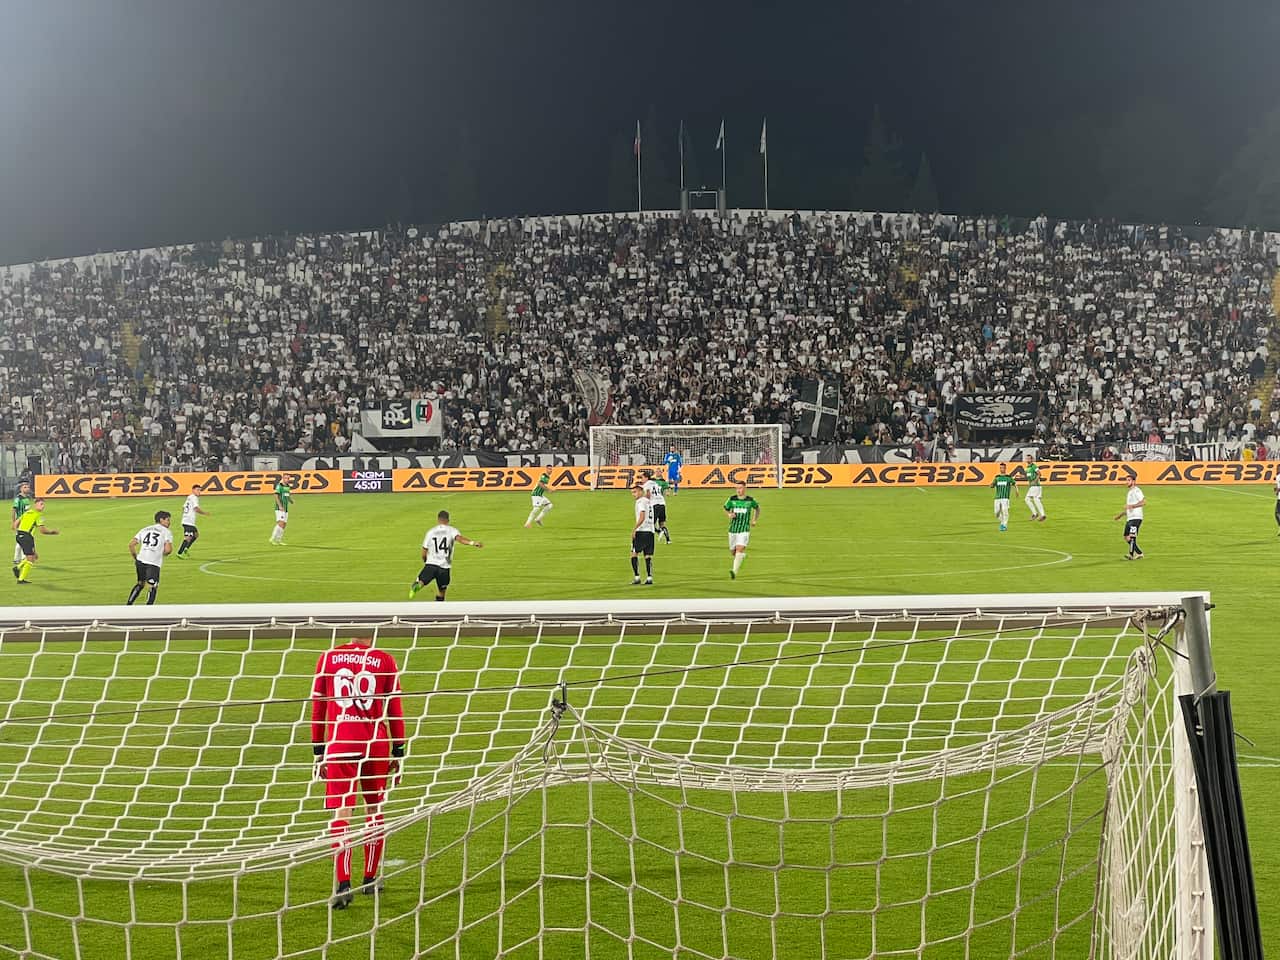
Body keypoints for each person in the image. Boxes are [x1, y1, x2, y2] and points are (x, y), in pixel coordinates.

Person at [310, 636, 406, 909]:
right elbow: (395, 708)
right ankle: (370, 879)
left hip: (341, 744)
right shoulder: (385, 659)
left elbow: (318, 707)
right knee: (374, 809)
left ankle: (343, 884)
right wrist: (398, 750)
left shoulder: (328, 657)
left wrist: (318, 750)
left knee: (342, 814)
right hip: (375, 744)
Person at [409, 510, 483, 600]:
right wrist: (473, 543)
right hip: (444, 568)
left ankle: (418, 586)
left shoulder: (430, 532)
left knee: (421, 581)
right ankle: (439, 606)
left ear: (438, 520)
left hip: (431, 564)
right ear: (448, 520)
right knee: (442, 591)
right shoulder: (452, 530)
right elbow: (460, 539)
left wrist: (425, 561)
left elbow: (424, 551)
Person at [127, 510, 173, 604]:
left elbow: (131, 545)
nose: (169, 522)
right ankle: (149, 608)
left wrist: (136, 558)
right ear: (161, 520)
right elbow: (168, 550)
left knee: (140, 583)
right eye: (168, 520)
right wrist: (161, 553)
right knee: (153, 586)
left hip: (140, 560)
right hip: (153, 562)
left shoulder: (145, 529)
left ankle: (129, 604)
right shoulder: (166, 532)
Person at [14, 497, 60, 584]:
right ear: (36, 505)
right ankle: (20, 579)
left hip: (20, 536)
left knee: (33, 556)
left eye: (43, 504)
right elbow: (42, 531)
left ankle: (17, 568)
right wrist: (52, 532)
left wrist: (18, 532)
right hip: (27, 537)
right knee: (31, 559)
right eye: (41, 504)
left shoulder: (27, 512)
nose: (43, 506)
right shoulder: (38, 515)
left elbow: (15, 523)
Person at [723, 482, 760, 580]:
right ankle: (741, 556)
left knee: (739, 548)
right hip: (733, 529)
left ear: (744, 488)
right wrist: (729, 514)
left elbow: (757, 509)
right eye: (737, 488)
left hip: (744, 529)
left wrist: (754, 520)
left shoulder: (750, 500)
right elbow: (725, 508)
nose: (738, 490)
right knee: (733, 552)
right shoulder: (732, 499)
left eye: (740, 488)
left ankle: (734, 572)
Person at [1113, 476, 1146, 559]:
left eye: (1129, 480)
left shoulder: (1137, 490)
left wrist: (1132, 506)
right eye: (1126, 480)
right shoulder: (1130, 492)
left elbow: (1143, 502)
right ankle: (1139, 553)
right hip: (1130, 518)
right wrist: (1120, 515)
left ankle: (1131, 555)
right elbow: (1128, 507)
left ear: (1133, 481)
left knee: (1132, 536)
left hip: (1136, 517)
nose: (1127, 482)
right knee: (1126, 536)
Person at [176, 483, 211, 558]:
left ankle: (186, 548)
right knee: (188, 537)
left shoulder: (189, 497)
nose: (199, 492)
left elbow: (183, 507)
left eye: (200, 490)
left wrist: (185, 514)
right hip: (188, 521)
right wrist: (204, 513)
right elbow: (196, 508)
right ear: (193, 490)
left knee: (196, 535)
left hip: (187, 520)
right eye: (197, 490)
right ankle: (179, 553)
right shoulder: (194, 498)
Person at [629, 483, 655, 584]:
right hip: (650, 531)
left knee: (633, 554)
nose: (633, 494)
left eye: (635, 492)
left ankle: (637, 577)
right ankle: (649, 578)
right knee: (647, 555)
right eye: (632, 492)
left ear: (640, 491)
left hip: (641, 531)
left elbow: (642, 516)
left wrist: (635, 529)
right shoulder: (648, 502)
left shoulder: (640, 502)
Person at [641, 470, 672, 543]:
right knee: (662, 523)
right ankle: (668, 540)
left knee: (650, 523)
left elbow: (648, 494)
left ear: (646, 477)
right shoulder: (655, 483)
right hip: (662, 503)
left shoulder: (647, 484)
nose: (641, 479)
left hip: (655, 505)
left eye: (642, 478)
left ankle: (658, 532)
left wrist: (644, 501)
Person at [11, 481, 34, 577]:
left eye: (27, 487)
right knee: (20, 540)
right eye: (25, 487)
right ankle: (18, 558)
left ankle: (22, 558)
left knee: (25, 539)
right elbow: (13, 510)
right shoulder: (18, 499)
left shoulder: (27, 499)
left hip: (27, 522)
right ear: (21, 489)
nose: (27, 488)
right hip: (20, 522)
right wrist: (14, 522)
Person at [269, 474, 296, 545]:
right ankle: (272, 538)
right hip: (279, 508)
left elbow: (287, 495)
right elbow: (276, 496)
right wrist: (280, 506)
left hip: (285, 508)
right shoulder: (279, 486)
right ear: (283, 478)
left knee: (284, 525)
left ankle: (279, 540)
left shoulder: (287, 486)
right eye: (286, 478)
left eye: (288, 478)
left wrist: (291, 500)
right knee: (280, 523)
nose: (287, 479)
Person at [990, 464, 1017, 532]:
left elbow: (1014, 483)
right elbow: (992, 485)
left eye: (1003, 468)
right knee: (996, 513)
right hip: (997, 497)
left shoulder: (1008, 477)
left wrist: (1017, 491)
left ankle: (1004, 525)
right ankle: (1002, 522)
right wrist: (991, 485)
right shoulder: (997, 477)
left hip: (1005, 498)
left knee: (1005, 511)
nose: (1002, 469)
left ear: (1005, 468)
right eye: (1001, 468)